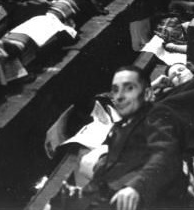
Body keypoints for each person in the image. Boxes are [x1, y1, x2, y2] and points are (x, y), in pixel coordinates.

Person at [77, 65, 186, 209]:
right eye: (116, 90)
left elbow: (165, 153)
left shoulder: (158, 114)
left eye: (129, 88)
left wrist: (137, 187)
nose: (120, 95)